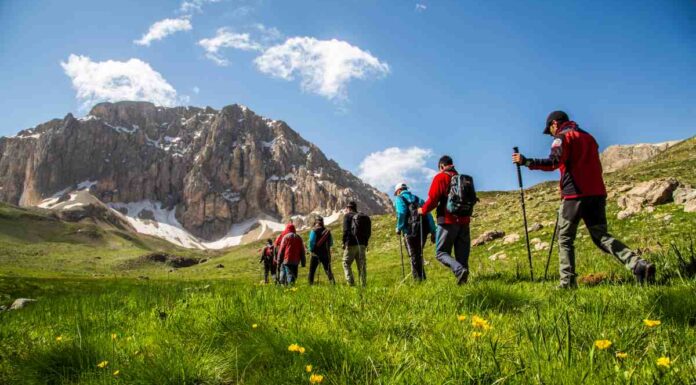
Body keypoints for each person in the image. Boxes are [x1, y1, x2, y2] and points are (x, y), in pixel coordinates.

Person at [512, 110, 656, 288]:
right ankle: (637, 264)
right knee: (601, 236)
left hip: (575, 195)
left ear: (555, 124)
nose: (551, 134)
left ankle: (567, 283)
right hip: (596, 193)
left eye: (549, 130)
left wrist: (526, 162)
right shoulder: (589, 137)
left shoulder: (562, 138)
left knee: (565, 238)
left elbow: (553, 162)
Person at [418, 155, 472, 284]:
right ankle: (464, 284)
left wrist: (422, 210)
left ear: (441, 166)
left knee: (441, 252)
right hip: (464, 221)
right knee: (462, 256)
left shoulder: (440, 177)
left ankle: (459, 271)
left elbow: (433, 200)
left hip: (447, 220)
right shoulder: (463, 179)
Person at [394, 183, 435, 281]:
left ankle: (418, 280)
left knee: (413, 255)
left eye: (396, 193)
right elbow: (428, 214)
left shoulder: (400, 199)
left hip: (410, 230)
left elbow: (402, 213)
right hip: (423, 230)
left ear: (399, 191)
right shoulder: (418, 199)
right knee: (418, 253)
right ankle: (422, 278)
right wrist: (433, 230)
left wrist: (399, 227)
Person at [342, 201, 370, 286]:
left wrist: (344, 243)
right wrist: (365, 243)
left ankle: (351, 283)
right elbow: (368, 232)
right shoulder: (364, 217)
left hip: (351, 244)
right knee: (361, 265)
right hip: (362, 245)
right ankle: (363, 284)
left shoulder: (347, 216)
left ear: (348, 208)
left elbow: (345, 231)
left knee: (345, 263)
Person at [308, 216, 336, 285]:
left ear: (316, 223)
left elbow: (311, 241)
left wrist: (311, 249)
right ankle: (333, 283)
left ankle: (310, 284)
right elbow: (331, 243)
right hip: (325, 254)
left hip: (315, 254)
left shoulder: (314, 231)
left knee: (312, 271)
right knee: (328, 270)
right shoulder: (327, 231)